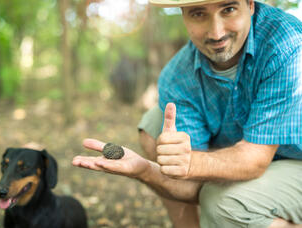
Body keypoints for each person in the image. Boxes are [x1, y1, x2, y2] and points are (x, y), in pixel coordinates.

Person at [73, 0, 302, 227]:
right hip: (247, 149)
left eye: (228, 9)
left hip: (294, 157)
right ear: (183, 14)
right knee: (155, 125)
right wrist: (145, 170)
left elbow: (255, 160)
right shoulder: (177, 76)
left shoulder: (285, 42)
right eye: (198, 14)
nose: (216, 32)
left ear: (250, 5)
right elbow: (190, 187)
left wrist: (190, 163)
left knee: (223, 204)